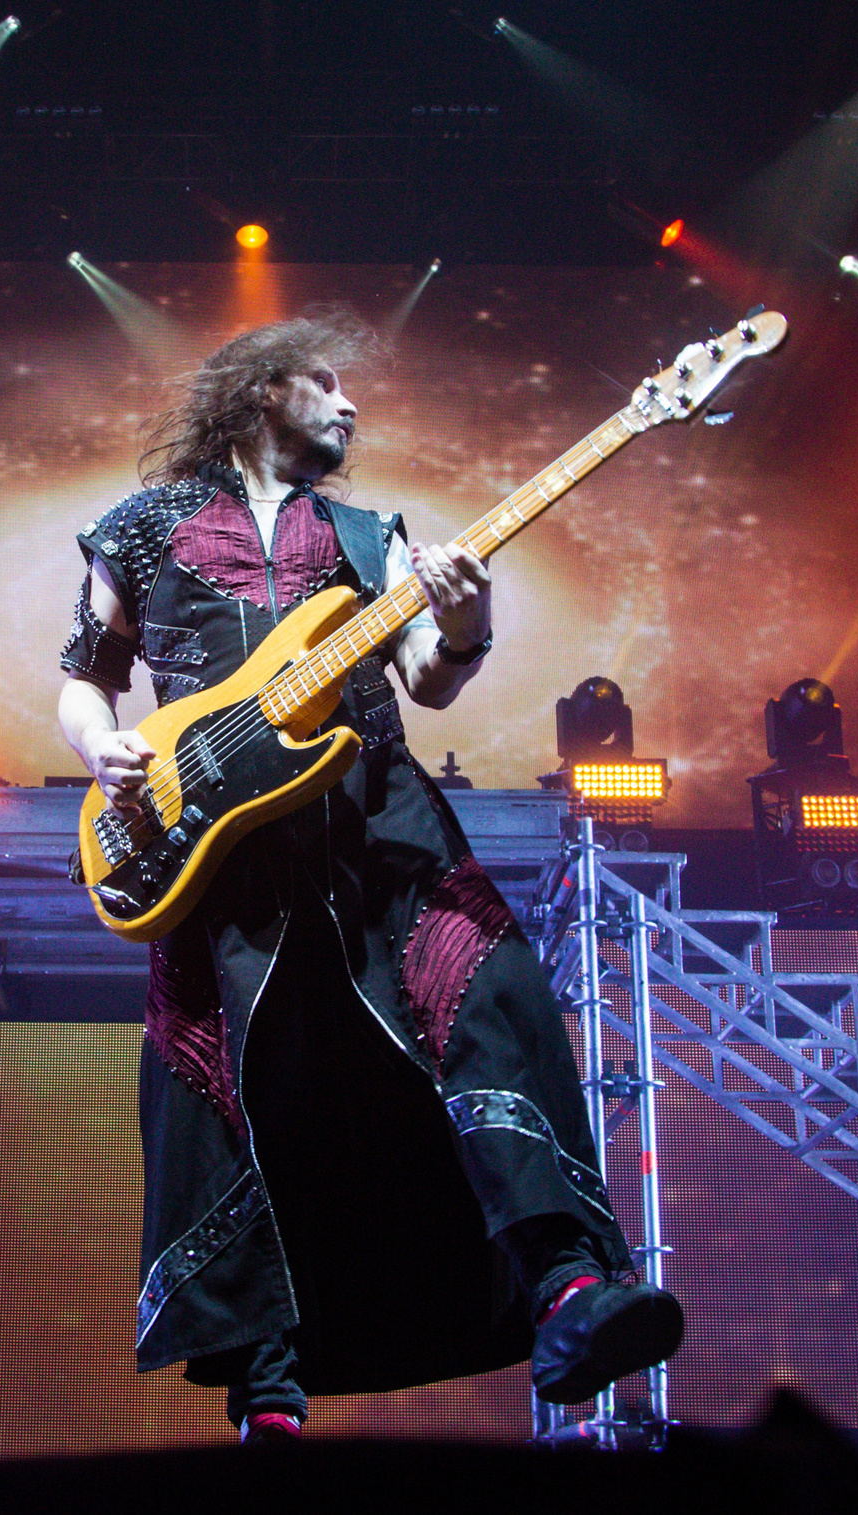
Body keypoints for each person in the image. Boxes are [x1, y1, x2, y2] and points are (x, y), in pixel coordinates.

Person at [55, 307, 682, 1441]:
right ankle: (269, 1391)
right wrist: (99, 747)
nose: (350, 404)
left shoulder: (366, 534)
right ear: (261, 394)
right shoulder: (140, 528)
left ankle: (571, 1291)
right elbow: (86, 677)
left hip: (376, 821)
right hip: (216, 843)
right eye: (326, 383)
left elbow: (429, 683)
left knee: (491, 1003)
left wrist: (466, 615)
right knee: (247, 1082)